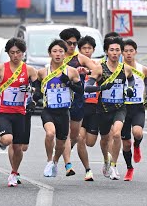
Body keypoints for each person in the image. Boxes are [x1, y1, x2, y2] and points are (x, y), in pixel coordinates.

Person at [0, 37, 38, 187]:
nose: (15, 55)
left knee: (18, 147)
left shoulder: (28, 70)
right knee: (8, 140)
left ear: (23, 53)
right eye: (12, 52)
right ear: (8, 53)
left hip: (20, 112)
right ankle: (2, 140)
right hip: (4, 111)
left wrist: (33, 93)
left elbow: (37, 86)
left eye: (18, 52)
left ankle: (14, 172)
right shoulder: (1, 68)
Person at [84, 36, 135, 180]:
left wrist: (129, 89)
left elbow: (131, 80)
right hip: (103, 108)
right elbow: (87, 88)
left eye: (117, 50)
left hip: (120, 107)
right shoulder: (99, 68)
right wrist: (101, 87)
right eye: (111, 50)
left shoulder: (126, 69)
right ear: (106, 51)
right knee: (105, 139)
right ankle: (106, 160)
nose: (114, 53)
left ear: (121, 52)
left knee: (117, 134)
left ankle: (113, 165)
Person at [36, 39, 87, 178]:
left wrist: (68, 82)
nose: (58, 54)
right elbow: (36, 88)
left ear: (65, 55)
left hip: (64, 112)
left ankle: (55, 161)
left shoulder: (71, 72)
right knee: (50, 134)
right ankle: (48, 161)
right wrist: (35, 98)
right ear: (50, 54)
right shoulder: (42, 72)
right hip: (48, 111)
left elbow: (80, 90)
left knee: (60, 144)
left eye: (61, 52)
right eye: (55, 51)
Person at [59, 27, 101, 177]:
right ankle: (68, 164)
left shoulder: (80, 58)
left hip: (78, 99)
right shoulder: (57, 57)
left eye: (74, 43)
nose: (71, 46)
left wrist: (87, 73)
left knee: (75, 135)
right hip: (61, 101)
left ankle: (65, 154)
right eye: (69, 43)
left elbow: (98, 70)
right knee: (66, 132)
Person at [120, 39, 147, 181]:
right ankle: (129, 168)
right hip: (122, 108)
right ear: (122, 53)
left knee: (137, 133)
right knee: (126, 144)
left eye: (131, 51)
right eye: (125, 51)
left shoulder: (143, 69)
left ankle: (137, 145)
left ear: (135, 52)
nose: (128, 54)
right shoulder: (118, 69)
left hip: (137, 107)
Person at [77, 35, 103, 181]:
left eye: (89, 48)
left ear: (93, 50)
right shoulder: (74, 67)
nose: (87, 51)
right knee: (80, 138)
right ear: (79, 50)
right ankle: (88, 170)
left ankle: (107, 158)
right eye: (84, 48)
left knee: (90, 142)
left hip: (94, 109)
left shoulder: (97, 67)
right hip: (80, 108)